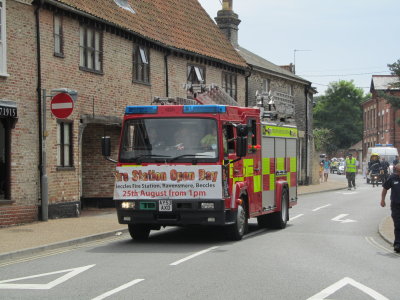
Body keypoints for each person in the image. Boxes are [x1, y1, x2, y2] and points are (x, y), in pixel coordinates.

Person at [380, 163, 400, 253]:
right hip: (396, 206)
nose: (398, 173)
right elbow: (385, 188)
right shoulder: (392, 178)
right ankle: (397, 244)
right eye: (398, 171)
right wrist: (382, 200)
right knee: (398, 224)